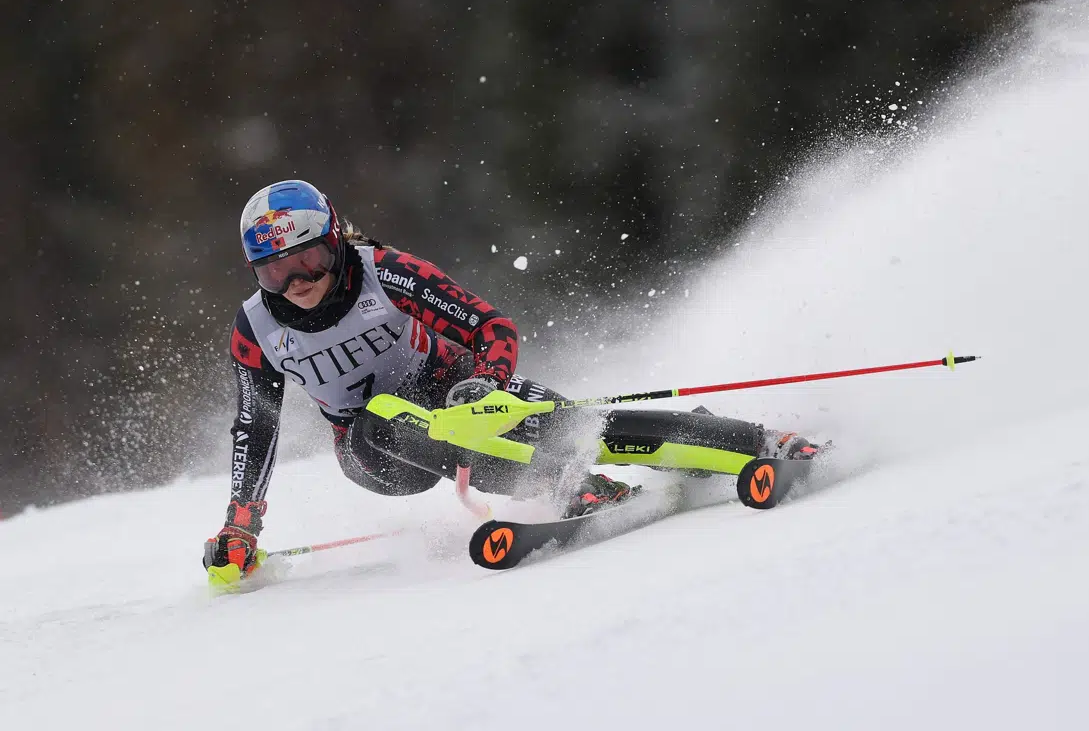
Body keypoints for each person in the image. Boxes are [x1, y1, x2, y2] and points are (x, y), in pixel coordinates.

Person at [204, 180, 820, 579]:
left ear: (334, 242)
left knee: (573, 427)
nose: (296, 282)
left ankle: (750, 443)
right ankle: (573, 483)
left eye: (307, 259)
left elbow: (490, 327)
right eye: (274, 270)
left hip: (452, 390)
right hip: (374, 451)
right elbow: (255, 428)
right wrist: (241, 522)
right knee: (383, 418)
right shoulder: (256, 329)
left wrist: (488, 383)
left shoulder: (382, 272)